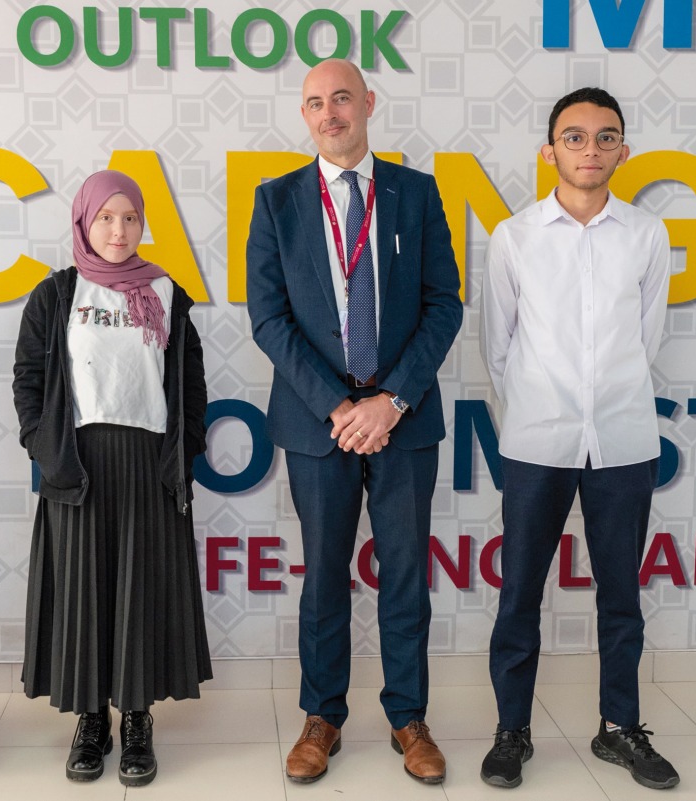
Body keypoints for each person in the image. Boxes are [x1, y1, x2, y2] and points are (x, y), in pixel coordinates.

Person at [246, 59, 463, 784]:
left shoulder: (416, 192)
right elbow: (269, 319)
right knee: (323, 577)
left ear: (368, 102)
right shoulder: (275, 201)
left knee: (405, 572)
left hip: (404, 416)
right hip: (318, 423)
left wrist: (391, 399)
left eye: (342, 97)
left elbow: (444, 304)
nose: (330, 112)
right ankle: (322, 716)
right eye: (315, 102)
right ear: (303, 115)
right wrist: (340, 407)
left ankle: (409, 717)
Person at [479, 87, 679, 790]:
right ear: (549, 150)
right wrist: (541, 405)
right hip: (537, 442)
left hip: (623, 439)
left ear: (623, 151)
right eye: (574, 136)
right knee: (519, 594)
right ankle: (513, 730)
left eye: (605, 137)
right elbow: (496, 346)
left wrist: (603, 397)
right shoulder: (515, 237)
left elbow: (647, 337)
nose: (589, 149)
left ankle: (618, 727)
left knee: (621, 594)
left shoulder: (647, 235)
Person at [13, 170, 211, 787]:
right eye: (106, 218)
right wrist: (41, 450)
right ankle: (91, 721)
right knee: (84, 595)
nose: (118, 231)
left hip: (149, 467)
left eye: (129, 218)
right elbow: (28, 379)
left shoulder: (167, 292)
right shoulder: (56, 294)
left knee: (140, 594)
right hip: (78, 467)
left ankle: (138, 721)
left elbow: (192, 385)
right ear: (84, 221)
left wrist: (187, 452)